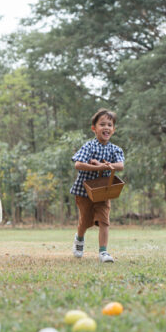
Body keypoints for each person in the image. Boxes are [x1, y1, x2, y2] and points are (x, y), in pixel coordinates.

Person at [70, 108, 125, 263]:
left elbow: (120, 166)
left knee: (104, 220)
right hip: (84, 191)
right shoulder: (89, 146)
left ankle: (103, 252)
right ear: (94, 128)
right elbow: (78, 164)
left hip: (104, 192)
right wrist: (98, 167)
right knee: (85, 221)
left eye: (109, 124)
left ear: (113, 129)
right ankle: (79, 238)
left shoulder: (116, 149)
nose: (106, 127)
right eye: (102, 124)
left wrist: (104, 165)